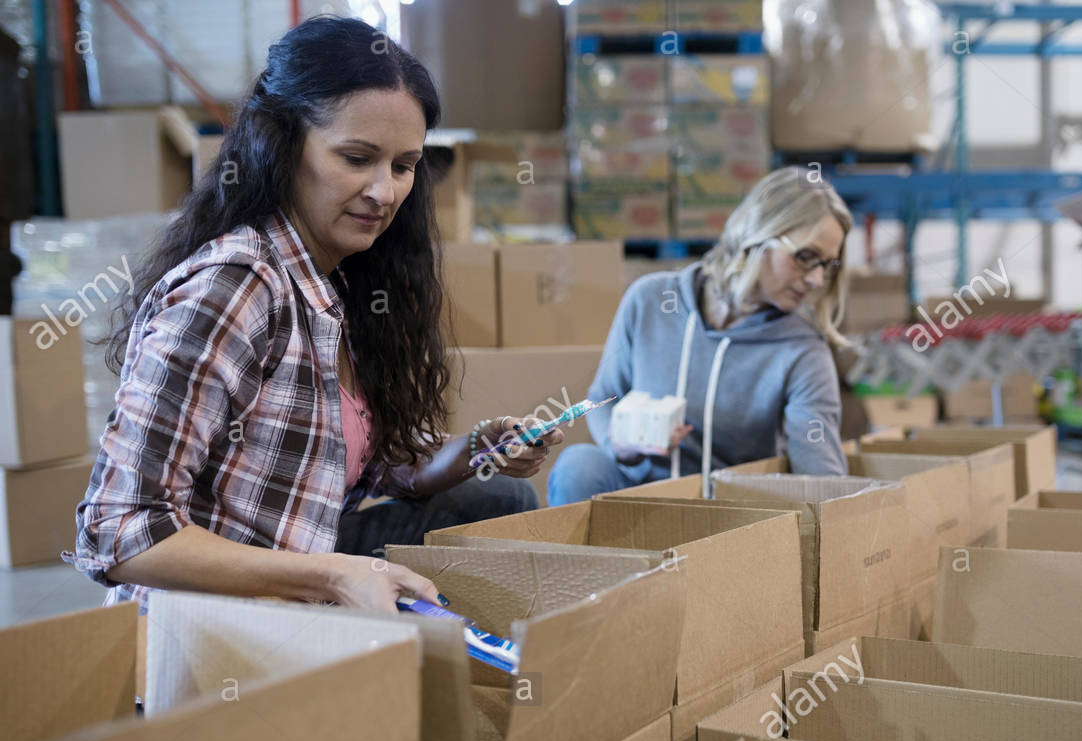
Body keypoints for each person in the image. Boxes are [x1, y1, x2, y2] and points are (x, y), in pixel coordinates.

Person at [68, 17, 561, 613]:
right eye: (357, 158)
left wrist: (479, 450)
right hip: (210, 617)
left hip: (304, 561)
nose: (384, 192)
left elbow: (360, 468)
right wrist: (329, 578)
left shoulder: (338, 281)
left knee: (498, 495)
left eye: (403, 167)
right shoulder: (237, 285)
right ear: (280, 145)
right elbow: (117, 529)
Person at [547, 167, 852, 505]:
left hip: (726, 518)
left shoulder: (802, 350)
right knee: (578, 465)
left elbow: (819, 465)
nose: (815, 280)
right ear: (757, 235)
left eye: (827, 265)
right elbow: (604, 395)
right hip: (638, 497)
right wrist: (619, 445)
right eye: (806, 257)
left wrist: (844, 517)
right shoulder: (650, 300)